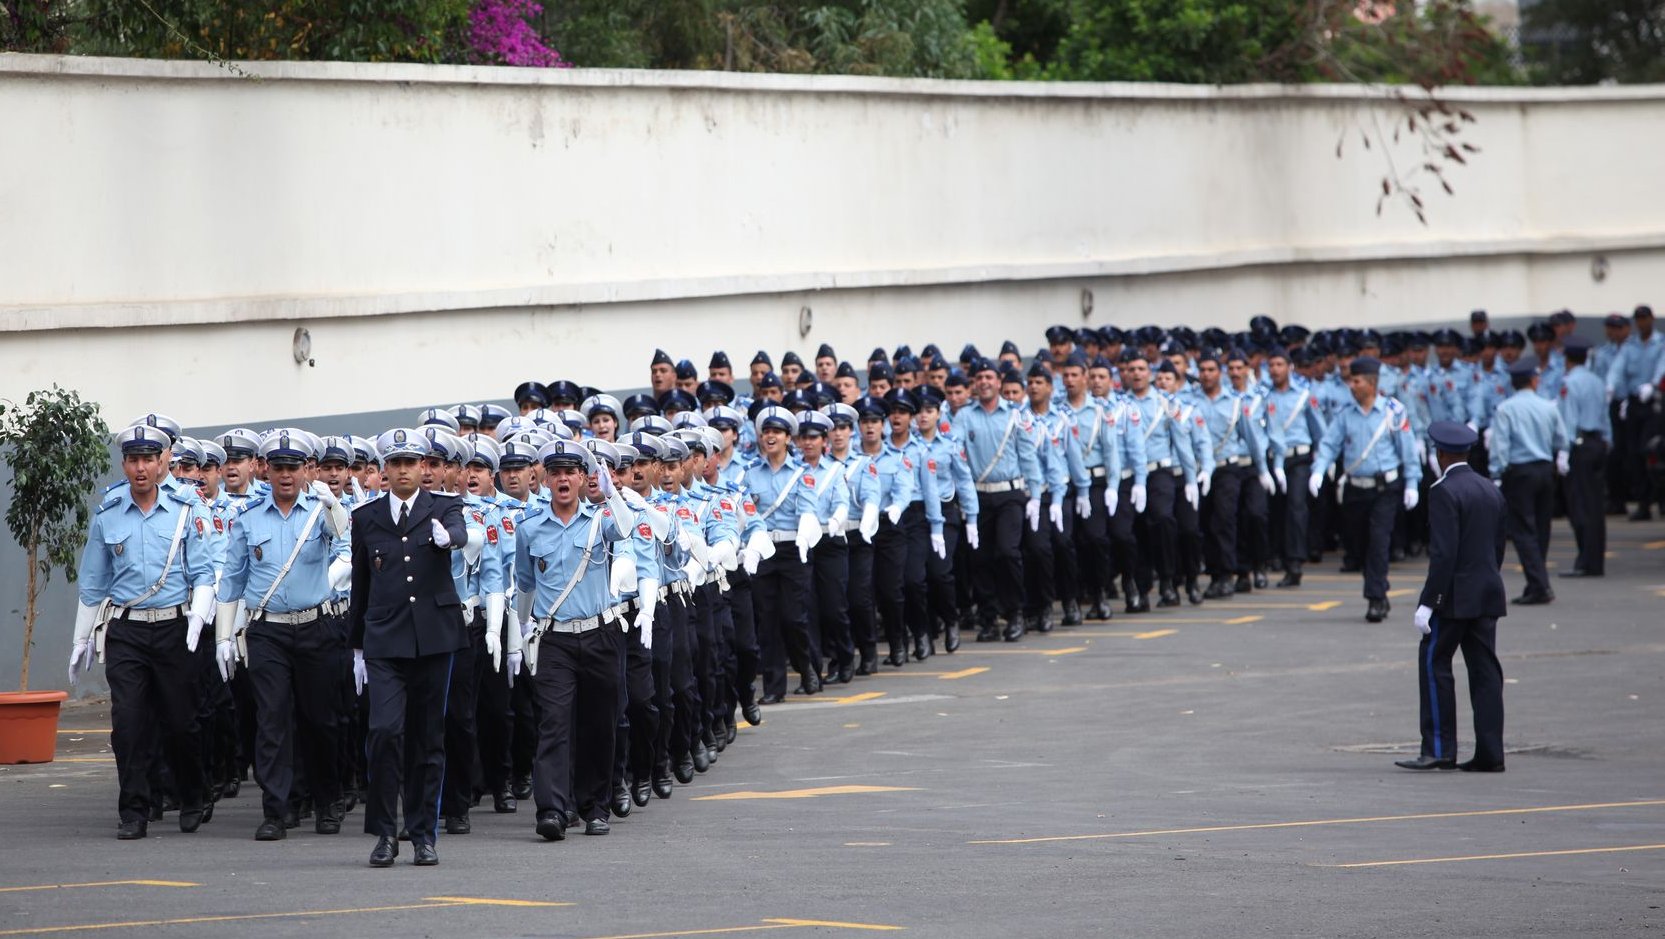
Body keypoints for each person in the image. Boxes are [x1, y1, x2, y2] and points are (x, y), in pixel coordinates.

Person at [72, 423, 218, 840]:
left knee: (182, 721)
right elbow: (94, 582)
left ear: (161, 463)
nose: (140, 468)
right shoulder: (109, 511)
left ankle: (193, 794)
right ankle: (133, 810)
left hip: (175, 627)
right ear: (124, 464)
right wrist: (81, 639)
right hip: (127, 632)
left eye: (148, 460)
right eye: (133, 460)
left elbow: (205, 571)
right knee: (130, 724)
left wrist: (198, 620)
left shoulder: (187, 508)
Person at [212, 430, 352, 841]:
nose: (286, 476)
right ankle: (277, 808)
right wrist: (224, 636)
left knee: (320, 720)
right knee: (272, 721)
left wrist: (334, 504)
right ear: (265, 470)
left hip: (316, 626)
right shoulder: (249, 518)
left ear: (307, 470)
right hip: (268, 631)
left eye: (294, 468)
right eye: (278, 468)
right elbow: (232, 581)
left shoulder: (320, 509)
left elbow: (346, 543)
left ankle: (327, 803)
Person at [349, 429, 473, 868]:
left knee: (427, 740)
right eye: (395, 463)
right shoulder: (365, 517)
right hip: (384, 641)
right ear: (384, 469)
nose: (403, 470)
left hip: (434, 639)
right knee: (383, 733)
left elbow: (460, 531)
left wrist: (450, 538)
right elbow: (360, 585)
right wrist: (358, 648)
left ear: (424, 466)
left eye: (411, 462)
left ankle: (424, 834)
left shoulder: (442, 506)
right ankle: (384, 832)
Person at [515, 439, 637, 839]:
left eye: (572, 472)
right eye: (556, 472)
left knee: (599, 725)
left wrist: (612, 490)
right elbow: (525, 585)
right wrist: (521, 637)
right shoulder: (529, 528)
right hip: (555, 640)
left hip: (601, 635)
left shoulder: (600, 520)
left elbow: (626, 528)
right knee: (553, 723)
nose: (564, 479)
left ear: (584, 478)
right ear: (546, 479)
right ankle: (552, 809)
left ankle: (594, 806)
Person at [1397, 421, 1508, 772]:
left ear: (1441, 454)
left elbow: (1443, 554)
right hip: (1487, 593)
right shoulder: (1489, 489)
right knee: (1485, 672)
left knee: (1434, 665)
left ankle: (1440, 748)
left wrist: (1429, 602)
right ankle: (1491, 753)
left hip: (1455, 598)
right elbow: (1498, 546)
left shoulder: (1444, 491)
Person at [1309, 356, 1421, 623]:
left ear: (1371, 383)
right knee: (1359, 544)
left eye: (1356, 381)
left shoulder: (1393, 412)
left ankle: (1375, 597)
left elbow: (1407, 449)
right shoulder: (1346, 415)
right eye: (1350, 380)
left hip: (1385, 488)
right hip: (1355, 490)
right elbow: (1329, 444)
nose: (1351, 385)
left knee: (1378, 542)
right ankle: (1378, 588)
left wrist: (1413, 483)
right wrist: (1318, 469)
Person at [1489, 358, 1569, 605]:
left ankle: (1539, 584)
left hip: (1520, 472)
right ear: (1534, 380)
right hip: (1545, 469)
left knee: (1524, 530)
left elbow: (1500, 445)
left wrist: (1496, 474)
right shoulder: (1548, 406)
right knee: (1542, 528)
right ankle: (1537, 581)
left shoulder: (1506, 409)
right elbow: (1561, 439)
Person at [1558, 336, 1610, 577]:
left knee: (1580, 506)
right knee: (1596, 506)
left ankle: (1585, 562)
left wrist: (1563, 451)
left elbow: (1568, 419)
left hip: (1579, 445)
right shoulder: (1597, 381)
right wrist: (1608, 441)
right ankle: (1595, 561)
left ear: (1568, 359)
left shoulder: (1569, 382)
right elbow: (1605, 414)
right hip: (1598, 442)